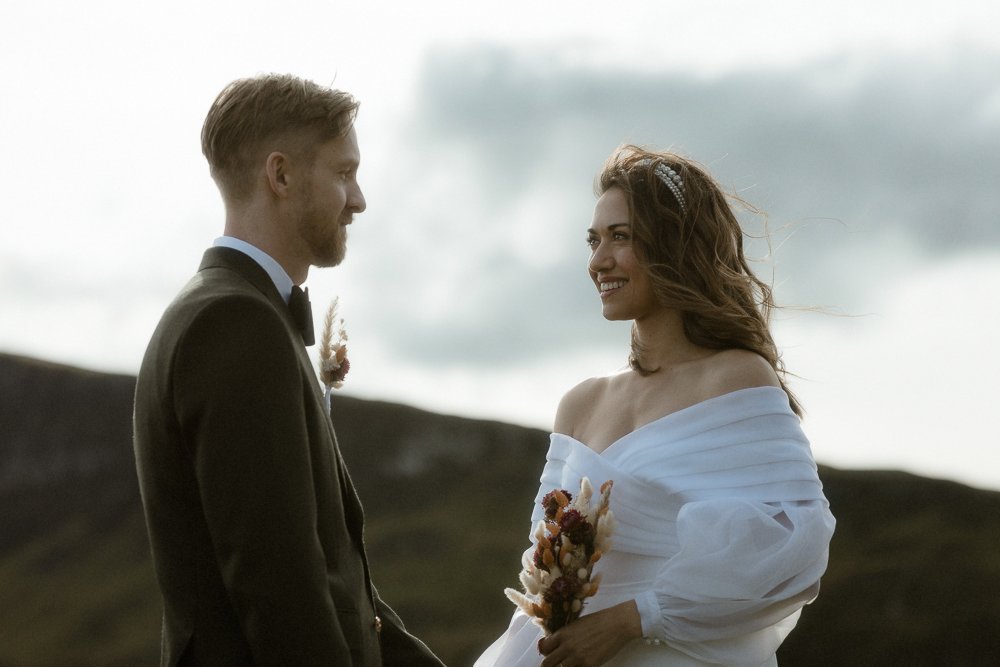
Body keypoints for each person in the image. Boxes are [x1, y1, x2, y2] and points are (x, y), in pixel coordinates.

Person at [476, 146, 836, 667]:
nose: (599, 260)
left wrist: (632, 619)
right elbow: (542, 565)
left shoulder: (734, 377)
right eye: (594, 240)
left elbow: (793, 545)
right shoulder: (579, 405)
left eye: (620, 237)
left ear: (674, 245)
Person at [132, 74, 443, 666]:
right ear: (280, 175)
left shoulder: (235, 313)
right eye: (344, 173)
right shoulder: (233, 323)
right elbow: (280, 590)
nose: (359, 199)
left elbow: (341, 588)